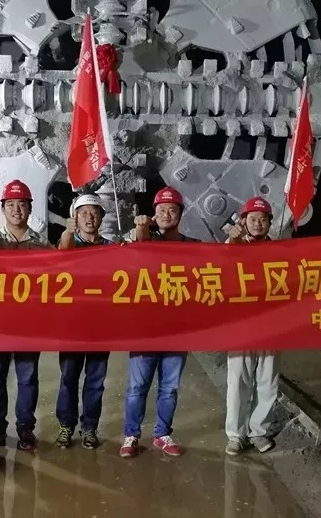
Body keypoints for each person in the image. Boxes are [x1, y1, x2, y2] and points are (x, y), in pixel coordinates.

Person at [120, 186, 198, 458]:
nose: (166, 214)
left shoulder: (195, 248)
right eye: (161, 210)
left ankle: (162, 434)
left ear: (180, 214)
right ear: (153, 214)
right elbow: (132, 254)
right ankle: (131, 435)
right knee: (137, 387)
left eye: (172, 210)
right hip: (145, 330)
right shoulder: (141, 240)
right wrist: (141, 231)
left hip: (178, 331)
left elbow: (221, 266)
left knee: (170, 388)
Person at [0, 179, 52, 450]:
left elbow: (58, 277)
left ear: (30, 209)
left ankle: (25, 429)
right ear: (2, 209)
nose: (16, 210)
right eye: (10, 205)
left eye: (22, 205)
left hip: (28, 323)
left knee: (27, 378)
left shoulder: (42, 245)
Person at [54, 193, 113, 450]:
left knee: (95, 381)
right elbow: (62, 254)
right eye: (83, 213)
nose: (89, 217)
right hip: (71, 326)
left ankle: (90, 428)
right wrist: (67, 233)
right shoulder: (69, 243)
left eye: (94, 212)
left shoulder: (111, 249)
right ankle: (66, 426)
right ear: (75, 218)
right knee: (69, 378)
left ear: (101, 217)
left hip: (101, 326)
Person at [224, 196, 280, 455]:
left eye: (263, 219)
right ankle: (236, 435)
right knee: (238, 382)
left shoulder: (280, 251)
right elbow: (224, 267)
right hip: (241, 326)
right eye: (253, 219)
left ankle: (259, 431)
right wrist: (234, 241)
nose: (258, 223)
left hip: (272, 325)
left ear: (270, 223)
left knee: (268, 382)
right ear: (243, 221)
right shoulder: (232, 245)